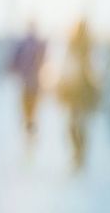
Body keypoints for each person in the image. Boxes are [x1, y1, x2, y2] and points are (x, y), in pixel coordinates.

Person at [57, 20, 100, 170]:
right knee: (76, 125)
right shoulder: (77, 45)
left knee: (77, 125)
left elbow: (91, 70)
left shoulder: (85, 46)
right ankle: (78, 154)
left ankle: (79, 154)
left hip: (80, 92)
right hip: (78, 92)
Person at [8, 23, 48, 139]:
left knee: (28, 106)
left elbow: (14, 61)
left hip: (27, 81)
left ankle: (29, 126)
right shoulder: (36, 43)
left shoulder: (23, 44)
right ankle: (30, 126)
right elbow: (43, 58)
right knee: (31, 107)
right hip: (33, 82)